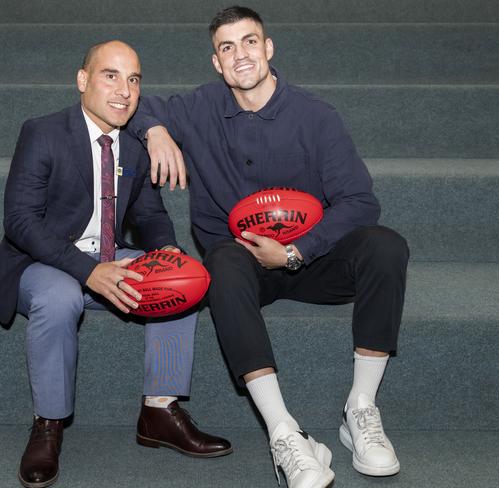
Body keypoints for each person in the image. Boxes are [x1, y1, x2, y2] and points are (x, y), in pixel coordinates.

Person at [128, 7, 410, 488]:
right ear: (216, 62)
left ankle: (360, 410)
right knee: (222, 261)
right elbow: (134, 104)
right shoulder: (197, 108)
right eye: (227, 47)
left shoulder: (315, 116)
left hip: (311, 262)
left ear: (269, 47)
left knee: (386, 246)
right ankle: (285, 433)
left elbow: (361, 201)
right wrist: (155, 132)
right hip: (242, 272)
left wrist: (298, 250)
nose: (241, 55)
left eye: (250, 42)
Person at [0, 40, 231, 488]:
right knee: (61, 297)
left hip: (107, 256)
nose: (124, 90)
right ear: (82, 81)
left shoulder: (134, 144)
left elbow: (150, 214)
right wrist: (88, 272)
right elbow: (20, 222)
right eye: (110, 76)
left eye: (133, 79)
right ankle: (48, 424)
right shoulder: (43, 131)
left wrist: (167, 249)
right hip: (39, 263)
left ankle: (159, 411)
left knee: (184, 278)